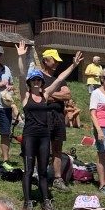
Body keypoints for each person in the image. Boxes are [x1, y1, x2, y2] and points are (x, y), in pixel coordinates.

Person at [16, 42, 83, 210]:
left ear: (42, 82)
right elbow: (21, 73)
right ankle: (28, 202)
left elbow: (60, 79)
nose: (37, 82)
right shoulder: (26, 96)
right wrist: (21, 56)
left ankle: (46, 201)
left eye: (39, 80)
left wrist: (74, 65)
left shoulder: (45, 95)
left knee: (44, 170)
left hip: (44, 136)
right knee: (29, 170)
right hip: (30, 136)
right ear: (30, 83)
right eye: (34, 80)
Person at [40, 48, 73, 192]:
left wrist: (50, 93)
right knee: (42, 147)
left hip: (58, 116)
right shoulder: (38, 76)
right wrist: (51, 94)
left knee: (57, 148)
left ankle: (57, 178)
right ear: (45, 60)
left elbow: (67, 96)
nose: (57, 63)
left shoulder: (59, 79)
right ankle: (40, 175)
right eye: (54, 60)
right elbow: (39, 95)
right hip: (44, 115)